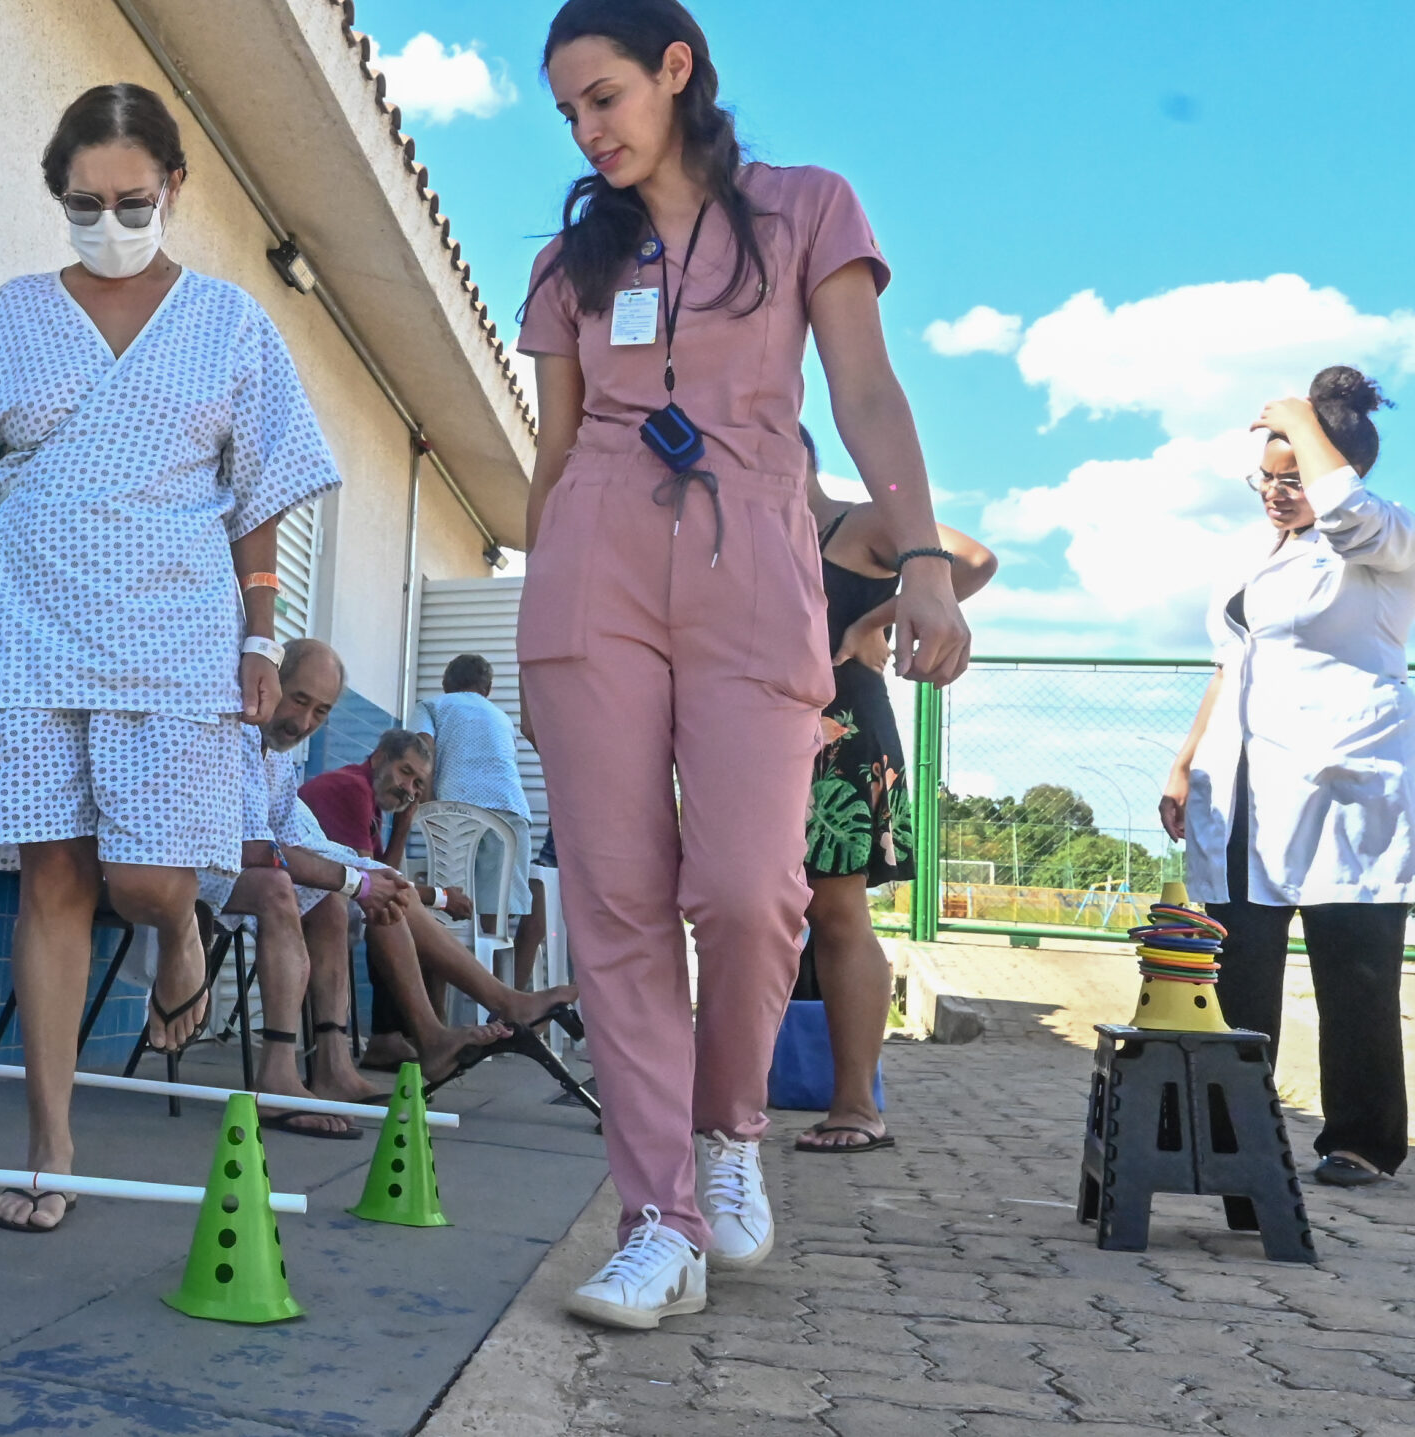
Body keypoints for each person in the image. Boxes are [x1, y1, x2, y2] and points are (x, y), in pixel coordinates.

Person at [516, 0, 971, 1329]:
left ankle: (729, 1142)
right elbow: (552, 453)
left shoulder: (804, 208)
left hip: (754, 554)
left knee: (752, 885)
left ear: (678, 68)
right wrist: (540, 616)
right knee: (613, 898)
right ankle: (655, 1214)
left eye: (603, 96)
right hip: (594, 561)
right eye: (568, 114)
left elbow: (868, 391)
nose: (588, 131)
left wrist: (923, 558)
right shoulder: (568, 264)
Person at [0, 84, 341, 1233]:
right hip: (29, 615)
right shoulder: (13, 314)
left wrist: (257, 633)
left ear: (173, 189)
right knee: (54, 878)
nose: (108, 219)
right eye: (83, 202)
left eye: (131, 200)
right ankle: (51, 1150)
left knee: (146, 881)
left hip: (177, 624)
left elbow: (261, 491)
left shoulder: (231, 322)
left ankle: (177, 932)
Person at [1159, 366, 1407, 1190]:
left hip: (1345, 788)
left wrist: (1303, 415)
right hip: (1243, 789)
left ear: (1340, 469)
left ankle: (1362, 1140)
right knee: (1236, 964)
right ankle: (1234, 1132)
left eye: (1292, 474)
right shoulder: (1255, 553)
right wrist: (1186, 760)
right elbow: (1229, 663)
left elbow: (1347, 511)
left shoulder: (1384, 543)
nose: (1274, 491)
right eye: (1264, 477)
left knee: (1355, 968)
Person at [795, 428, 996, 1155]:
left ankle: (856, 1104)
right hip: (754, 737)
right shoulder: (740, 531)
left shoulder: (864, 521)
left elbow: (972, 561)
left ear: (804, 454)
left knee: (838, 912)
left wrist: (875, 618)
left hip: (845, 736)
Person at [300, 733, 581, 1079]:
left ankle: (398, 1039)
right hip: (306, 898)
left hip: (329, 896)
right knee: (394, 904)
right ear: (379, 757)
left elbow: (377, 874)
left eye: (418, 783)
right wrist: (442, 897)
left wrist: (402, 825)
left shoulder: (371, 801)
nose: (410, 789)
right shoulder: (352, 787)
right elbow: (376, 882)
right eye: (405, 772)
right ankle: (488, 1010)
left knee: (394, 906)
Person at [194, 639, 381, 1135]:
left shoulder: (277, 756)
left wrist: (365, 880)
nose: (304, 723)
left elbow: (293, 840)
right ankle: (276, 1075)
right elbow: (259, 851)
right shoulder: (229, 726)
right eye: (298, 700)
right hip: (171, 867)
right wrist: (356, 880)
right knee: (280, 887)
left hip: (228, 873)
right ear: (273, 681)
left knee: (329, 905)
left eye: (321, 711)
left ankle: (332, 1063)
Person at [412, 654, 542, 963]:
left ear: (446, 683)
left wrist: (428, 808)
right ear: (488, 688)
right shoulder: (501, 718)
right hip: (510, 816)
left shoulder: (431, 706)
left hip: (456, 813)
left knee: (445, 907)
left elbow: (422, 747)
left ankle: (440, 995)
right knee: (494, 919)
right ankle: (497, 1003)